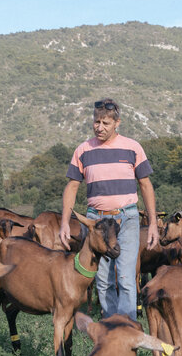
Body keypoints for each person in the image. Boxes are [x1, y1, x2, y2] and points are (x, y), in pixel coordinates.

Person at [59, 98, 159, 320]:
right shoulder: (83, 150)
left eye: (105, 123)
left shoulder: (133, 148)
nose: (99, 127)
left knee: (125, 278)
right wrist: (64, 222)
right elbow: (72, 186)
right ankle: (110, 328)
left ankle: (126, 328)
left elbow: (145, 185)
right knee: (103, 280)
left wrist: (153, 224)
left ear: (117, 123)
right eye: (96, 122)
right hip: (96, 222)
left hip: (127, 219)